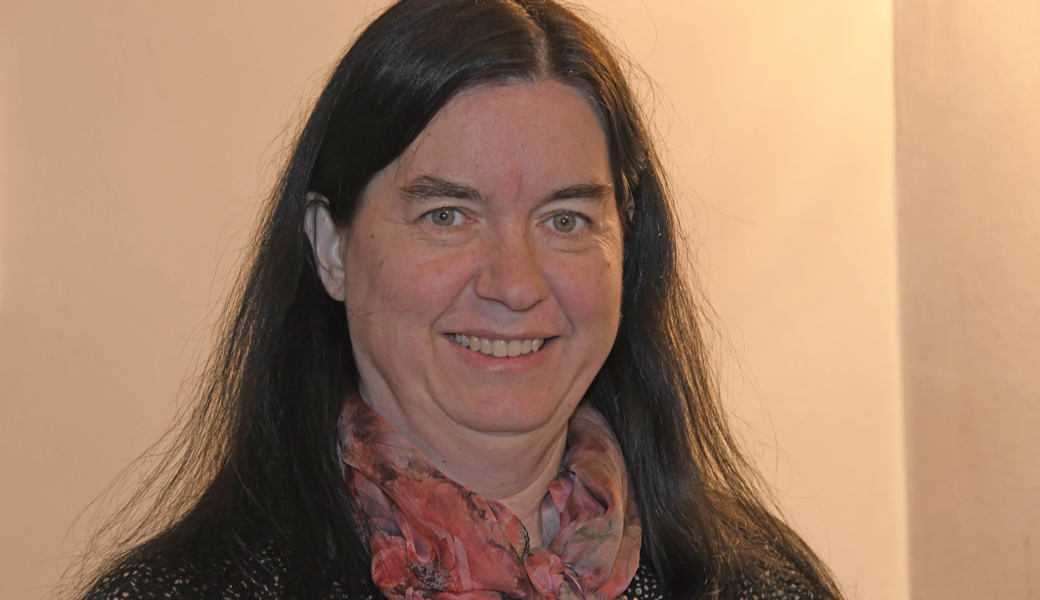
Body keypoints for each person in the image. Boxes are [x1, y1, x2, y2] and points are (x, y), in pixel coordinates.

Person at [76, 0, 843, 598]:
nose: (515, 284)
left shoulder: (757, 587)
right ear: (331, 247)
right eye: (447, 216)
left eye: (566, 220)